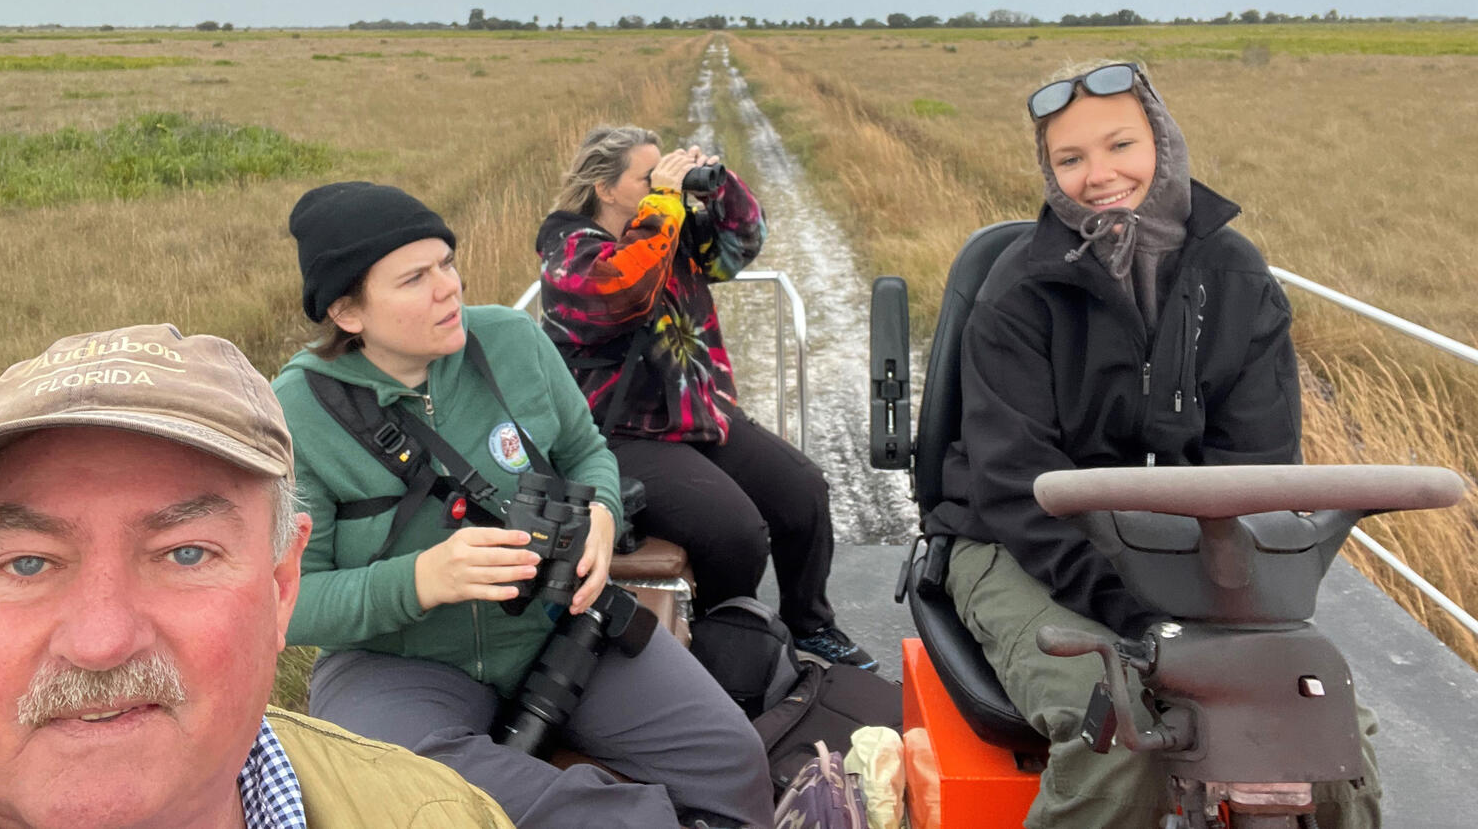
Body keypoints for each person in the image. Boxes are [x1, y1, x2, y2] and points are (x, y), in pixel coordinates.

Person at [925, 61, 1381, 828]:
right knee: (1119, 736)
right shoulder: (1018, 291)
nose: (1098, 176)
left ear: (1163, 143)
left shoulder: (1238, 280)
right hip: (1013, 546)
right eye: (1070, 160)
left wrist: (1212, 594)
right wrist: (1145, 614)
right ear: (1049, 171)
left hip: (1192, 560)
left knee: (1329, 738)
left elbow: (1260, 469)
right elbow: (1014, 487)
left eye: (1119, 145)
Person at [274, 181, 773, 829]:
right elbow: (290, 603)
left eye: (446, 264)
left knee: (732, 760)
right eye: (414, 278)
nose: (448, 287)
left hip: (558, 627)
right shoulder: (299, 412)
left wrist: (601, 515)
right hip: (393, 664)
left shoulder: (512, 341)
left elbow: (588, 453)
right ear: (347, 312)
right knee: (425, 804)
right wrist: (422, 580)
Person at [0, 323, 512, 829]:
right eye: (28, 563)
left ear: (281, 586)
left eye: (185, 554)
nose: (101, 643)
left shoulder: (440, 814)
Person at [535, 126, 873, 669]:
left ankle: (809, 625)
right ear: (604, 188)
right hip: (620, 430)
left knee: (803, 491)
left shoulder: (671, 229)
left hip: (697, 412)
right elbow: (624, 289)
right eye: (646, 178)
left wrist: (717, 185)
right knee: (736, 534)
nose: (661, 185)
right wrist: (666, 202)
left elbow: (743, 241)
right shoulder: (568, 248)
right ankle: (725, 644)